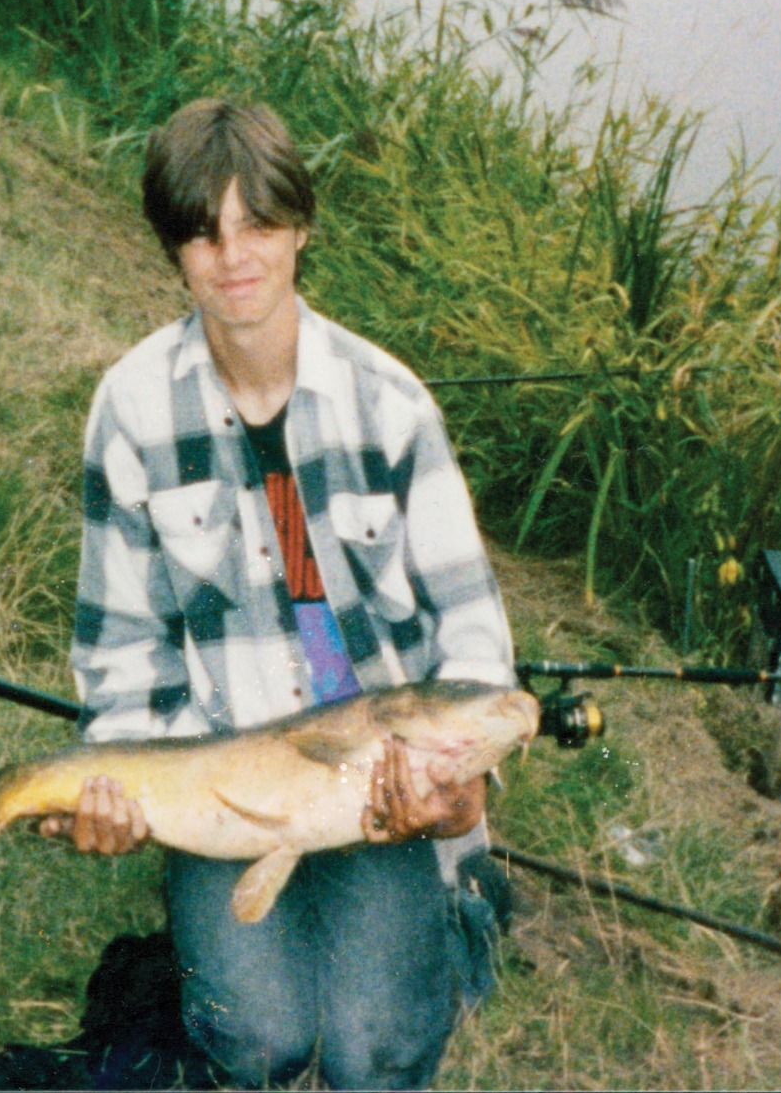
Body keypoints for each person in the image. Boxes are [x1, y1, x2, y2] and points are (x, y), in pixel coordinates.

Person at [42, 98, 517, 1089]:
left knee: (371, 1053)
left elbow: (469, 623)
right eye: (204, 233)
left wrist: (458, 783)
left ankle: (464, 899)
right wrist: (119, 780)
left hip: (374, 774)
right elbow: (121, 649)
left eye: (259, 224)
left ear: (302, 227)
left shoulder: (392, 404)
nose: (235, 257)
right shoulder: (130, 411)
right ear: (174, 251)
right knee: (258, 1039)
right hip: (226, 776)